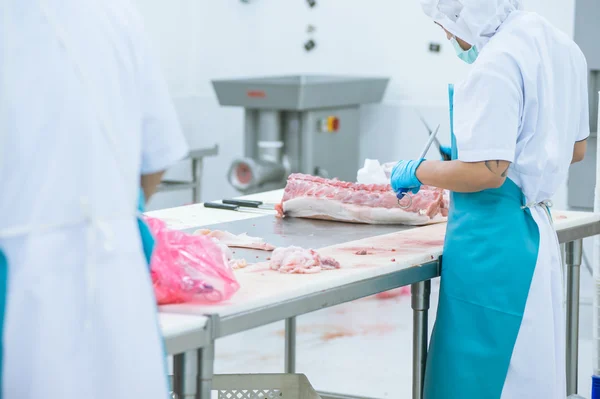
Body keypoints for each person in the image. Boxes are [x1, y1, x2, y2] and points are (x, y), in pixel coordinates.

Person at [391, 1, 589, 398]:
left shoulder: (494, 63)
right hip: (533, 232)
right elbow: (576, 149)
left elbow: (485, 173)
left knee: (480, 377)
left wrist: (418, 170)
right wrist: (521, 157)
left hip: (493, 249)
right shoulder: (562, 47)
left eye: (445, 25)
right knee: (528, 370)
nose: (447, 36)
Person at [0, 1, 189, 398]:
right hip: (113, 269)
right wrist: (113, 210)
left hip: (22, 279)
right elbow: (155, 157)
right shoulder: (115, 13)